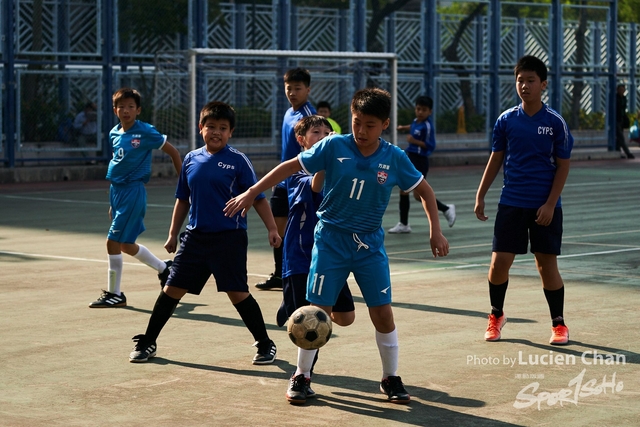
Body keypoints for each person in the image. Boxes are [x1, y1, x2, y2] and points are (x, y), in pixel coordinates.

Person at [224, 88, 450, 404]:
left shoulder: (394, 157)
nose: (361, 130)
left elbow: (425, 191)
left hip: (369, 246)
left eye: (370, 125)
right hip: (330, 241)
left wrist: (435, 231)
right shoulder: (333, 146)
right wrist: (251, 192)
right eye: (357, 122)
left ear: (384, 124)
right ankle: (302, 376)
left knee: (383, 313)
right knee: (317, 313)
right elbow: (289, 167)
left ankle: (390, 378)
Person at [129, 101, 281, 364]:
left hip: (229, 239)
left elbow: (258, 198)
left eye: (223, 128)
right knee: (171, 289)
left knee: (238, 293)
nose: (216, 132)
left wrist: (272, 228)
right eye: (211, 126)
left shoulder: (238, 161)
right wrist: (173, 233)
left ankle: (265, 344)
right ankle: (148, 341)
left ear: (230, 132)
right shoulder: (191, 159)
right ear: (201, 128)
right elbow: (183, 199)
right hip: (195, 239)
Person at [474, 55, 574, 346]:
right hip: (512, 202)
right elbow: (496, 159)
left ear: (543, 84)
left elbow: (563, 165)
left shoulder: (555, 123)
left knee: (546, 265)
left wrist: (549, 203)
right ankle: (496, 315)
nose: (525, 85)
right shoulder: (506, 120)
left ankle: (559, 324)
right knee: (498, 264)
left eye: (531, 80)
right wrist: (481, 194)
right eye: (520, 80)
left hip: (545, 205)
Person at [276, 115, 356, 403]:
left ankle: (289, 305)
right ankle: (301, 377)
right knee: (313, 322)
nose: (323, 136)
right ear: (302, 140)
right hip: (301, 257)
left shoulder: (340, 172)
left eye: (328, 133)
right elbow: (316, 186)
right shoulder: (297, 172)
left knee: (345, 317)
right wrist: (327, 155)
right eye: (316, 133)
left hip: (332, 255)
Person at [90, 88, 182, 308]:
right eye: (121, 106)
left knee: (112, 242)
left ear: (138, 110)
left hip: (133, 192)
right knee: (125, 245)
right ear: (115, 110)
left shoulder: (146, 133)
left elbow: (173, 152)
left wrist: (184, 180)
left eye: (131, 106)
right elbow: (118, 164)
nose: (126, 110)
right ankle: (164, 268)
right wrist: (113, 201)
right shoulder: (114, 133)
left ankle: (115, 294)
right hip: (117, 192)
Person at [256, 68, 316, 290]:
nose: (292, 92)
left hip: (301, 182)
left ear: (308, 90)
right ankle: (280, 275)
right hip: (283, 181)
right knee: (277, 229)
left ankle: (309, 276)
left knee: (302, 231)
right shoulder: (288, 113)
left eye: (297, 89)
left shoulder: (309, 117)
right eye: (288, 88)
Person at [388, 96, 456, 234]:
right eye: (418, 109)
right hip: (411, 158)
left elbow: (431, 145)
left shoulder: (428, 126)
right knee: (410, 192)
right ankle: (405, 223)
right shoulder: (415, 122)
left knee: (415, 193)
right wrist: (402, 127)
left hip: (420, 160)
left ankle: (445, 209)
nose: (420, 112)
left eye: (424, 110)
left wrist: (414, 141)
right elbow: (413, 127)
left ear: (430, 112)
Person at [615, 84, 635, 159]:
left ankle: (617, 152)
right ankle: (628, 153)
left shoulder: (624, 98)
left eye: (623, 90)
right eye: (620, 90)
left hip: (621, 120)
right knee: (621, 137)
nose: (621, 91)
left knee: (619, 138)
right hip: (616, 120)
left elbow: (623, 110)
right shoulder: (615, 98)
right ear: (617, 90)